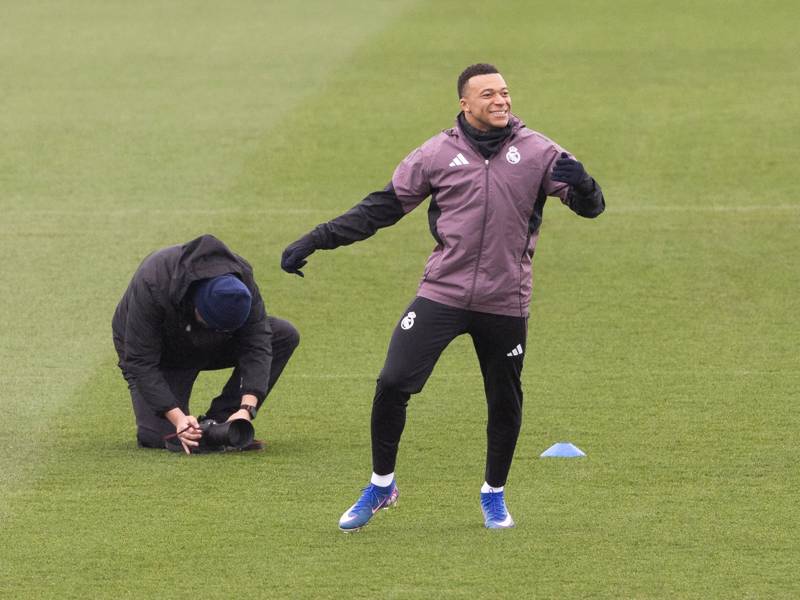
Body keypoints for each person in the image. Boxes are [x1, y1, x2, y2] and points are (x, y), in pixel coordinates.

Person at [281, 63, 605, 530]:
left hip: (505, 300)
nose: (501, 101)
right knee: (393, 382)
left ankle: (494, 495)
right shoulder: (435, 153)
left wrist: (586, 183)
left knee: (504, 400)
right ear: (465, 104)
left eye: (505, 92)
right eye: (488, 94)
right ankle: (381, 485)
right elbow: (381, 208)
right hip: (443, 293)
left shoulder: (539, 151)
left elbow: (591, 208)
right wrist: (316, 239)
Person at [113, 234, 299, 453]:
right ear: (196, 304)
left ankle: (222, 419)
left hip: (205, 344)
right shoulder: (154, 281)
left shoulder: (242, 279)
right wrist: (178, 418)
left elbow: (257, 342)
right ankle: (188, 426)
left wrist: (246, 409)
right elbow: (140, 361)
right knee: (160, 437)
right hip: (159, 351)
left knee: (283, 334)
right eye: (211, 325)